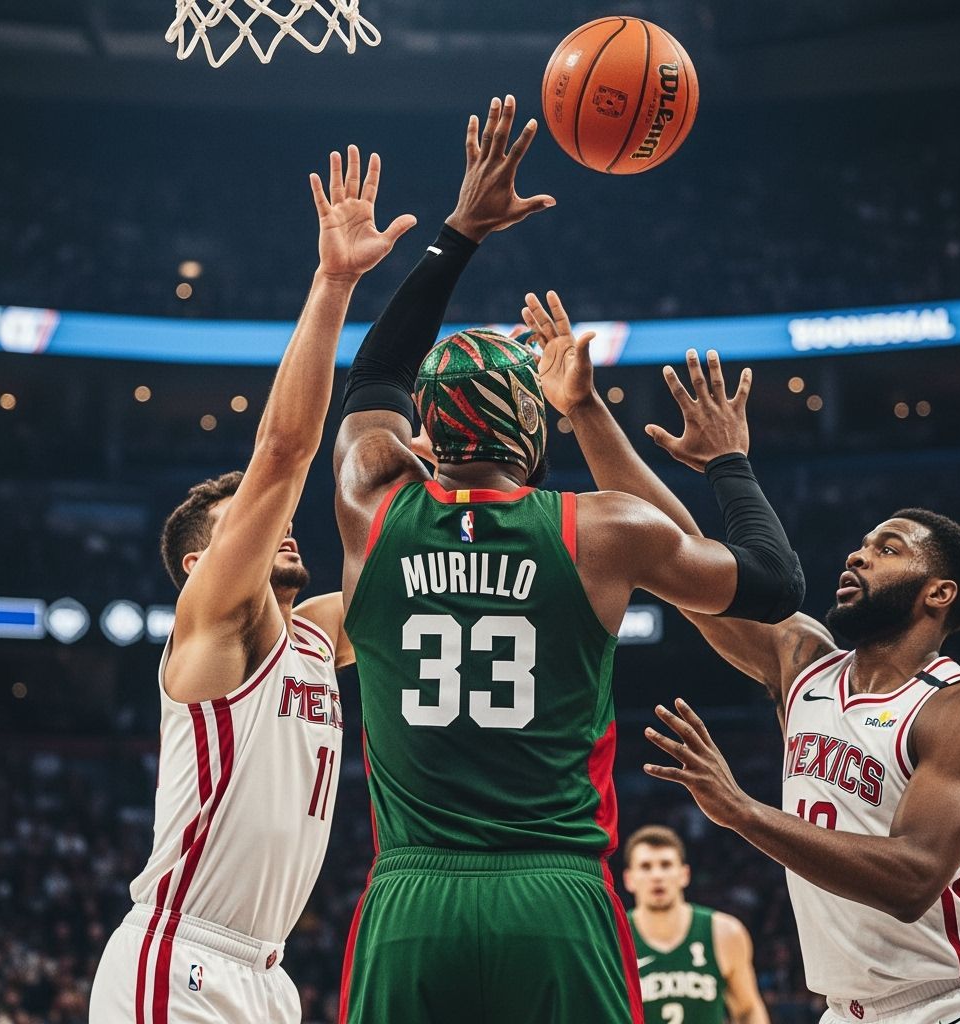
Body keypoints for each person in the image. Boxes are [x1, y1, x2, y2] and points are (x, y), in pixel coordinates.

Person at [331, 94, 805, 1024]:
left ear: (429, 432)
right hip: (553, 894)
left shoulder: (371, 505)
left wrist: (460, 232)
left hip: (411, 894)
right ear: (529, 424)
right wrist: (726, 461)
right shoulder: (602, 529)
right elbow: (775, 581)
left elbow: (377, 373)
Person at [521, 291, 960, 1024]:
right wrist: (584, 409)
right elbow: (675, 546)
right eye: (861, 544)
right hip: (845, 1010)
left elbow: (913, 878)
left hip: (957, 1003)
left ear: (938, 593)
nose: (858, 554)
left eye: (887, 549)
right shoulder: (803, 661)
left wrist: (741, 811)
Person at [89, 146, 416, 1024]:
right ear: (202, 567)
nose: (283, 529)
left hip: (267, 972)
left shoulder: (316, 632)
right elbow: (283, 454)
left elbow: (414, 580)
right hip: (179, 958)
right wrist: (334, 285)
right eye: (251, 526)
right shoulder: (215, 623)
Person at [624, 825, 770, 1024]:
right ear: (629, 879)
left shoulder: (725, 933)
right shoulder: (612, 937)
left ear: (684, 874)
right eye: (645, 867)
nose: (657, 876)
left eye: (666, 865)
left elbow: (748, 1010)